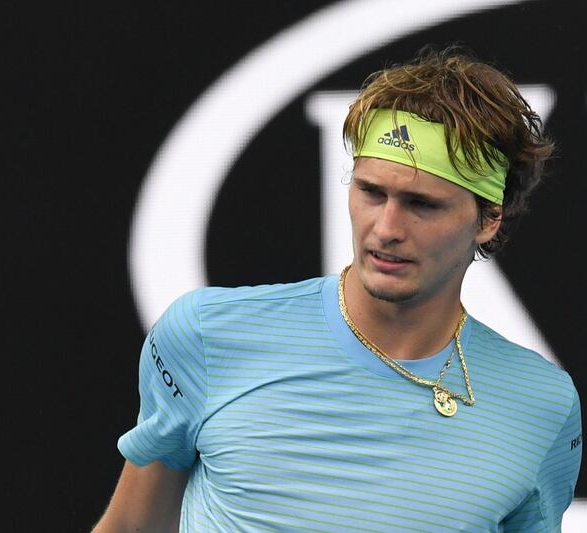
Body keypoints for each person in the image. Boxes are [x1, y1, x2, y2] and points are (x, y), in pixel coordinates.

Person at [92, 46, 582, 532]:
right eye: (371, 192)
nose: (386, 227)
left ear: (488, 219)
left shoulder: (543, 405)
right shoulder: (203, 334)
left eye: (421, 203)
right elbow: (132, 527)